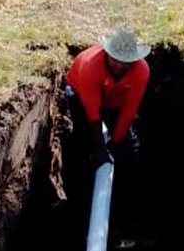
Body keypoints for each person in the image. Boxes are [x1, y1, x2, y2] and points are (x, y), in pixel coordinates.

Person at [64, 28, 151, 169]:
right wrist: (100, 149)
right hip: (80, 96)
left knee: (128, 149)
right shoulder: (90, 66)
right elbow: (92, 113)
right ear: (108, 53)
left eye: (126, 62)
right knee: (82, 143)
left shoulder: (141, 70)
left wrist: (115, 143)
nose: (120, 66)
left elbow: (129, 110)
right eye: (116, 60)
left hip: (113, 99)